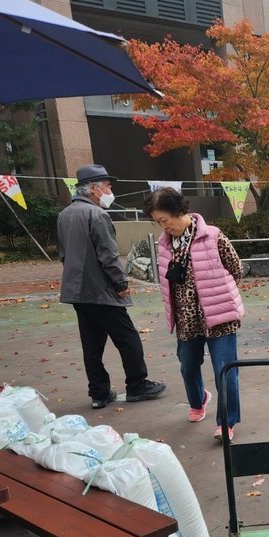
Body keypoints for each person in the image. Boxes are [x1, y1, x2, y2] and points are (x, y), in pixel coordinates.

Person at [57, 164, 166, 409]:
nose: (110, 189)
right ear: (94, 189)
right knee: (127, 338)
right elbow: (108, 255)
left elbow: (63, 254)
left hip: (77, 290)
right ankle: (137, 384)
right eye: (107, 185)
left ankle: (99, 393)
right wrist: (121, 283)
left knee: (92, 343)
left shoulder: (64, 215)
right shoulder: (97, 215)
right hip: (101, 289)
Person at [143, 187, 245, 441]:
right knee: (188, 366)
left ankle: (226, 422)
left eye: (164, 221)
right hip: (187, 320)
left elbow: (237, 268)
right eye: (158, 223)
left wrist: (218, 292)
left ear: (178, 211)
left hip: (220, 315)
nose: (163, 227)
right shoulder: (164, 245)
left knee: (225, 369)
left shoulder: (212, 236)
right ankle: (200, 400)